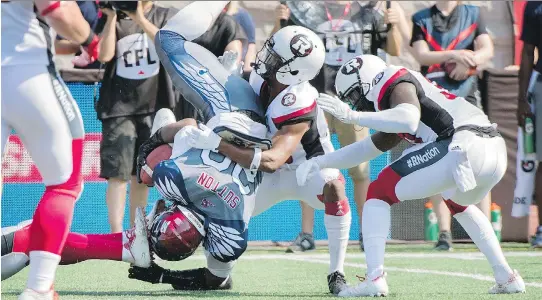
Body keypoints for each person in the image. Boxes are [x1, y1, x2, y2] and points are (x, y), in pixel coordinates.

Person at [295, 54, 526, 296]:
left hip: (463, 144)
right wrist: (321, 162)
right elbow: (366, 149)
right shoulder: (397, 101)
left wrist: (354, 117)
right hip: (491, 151)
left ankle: (375, 277)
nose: (356, 104)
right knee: (455, 201)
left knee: (377, 193)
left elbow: (408, 117)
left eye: (354, 95)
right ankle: (506, 276)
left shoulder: (395, 82)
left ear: (367, 82)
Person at [183, 5, 352, 294]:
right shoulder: (265, 77)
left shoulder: (299, 98)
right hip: (270, 170)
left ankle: (337, 272)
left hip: (307, 169)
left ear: (293, 71)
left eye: (274, 57)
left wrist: (218, 144)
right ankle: (219, 273)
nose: (265, 57)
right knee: (222, 202)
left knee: (335, 186)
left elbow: (272, 159)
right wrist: (227, 78)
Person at [270, 0, 404, 252]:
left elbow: (394, 48)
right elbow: (280, 47)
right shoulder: (305, 10)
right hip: (314, 98)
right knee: (307, 166)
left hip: (352, 102)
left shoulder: (367, 13)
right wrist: (279, 21)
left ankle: (366, 232)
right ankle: (307, 234)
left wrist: (393, 25)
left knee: (360, 171)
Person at [2, 0, 101, 298]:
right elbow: (57, 9)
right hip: (26, 74)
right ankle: (40, 288)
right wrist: (90, 41)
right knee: (65, 184)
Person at [409, 1, 495, 251]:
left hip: (466, 93)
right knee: (436, 158)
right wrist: (454, 55)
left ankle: (485, 230)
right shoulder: (421, 18)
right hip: (434, 94)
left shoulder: (475, 13)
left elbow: (486, 50)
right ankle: (444, 232)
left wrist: (468, 61)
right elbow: (422, 55)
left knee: (478, 157)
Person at [96, 1, 178, 233]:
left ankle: (136, 231)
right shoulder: (116, 15)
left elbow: (167, 47)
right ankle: (115, 234)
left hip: (154, 107)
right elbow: (104, 54)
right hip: (119, 108)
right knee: (118, 174)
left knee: (142, 175)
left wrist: (140, 17)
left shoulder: (165, 15)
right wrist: (112, 18)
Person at [517, 1, 542, 248]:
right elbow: (527, 51)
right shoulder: (535, 6)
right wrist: (521, 99)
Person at [54, 1, 104, 69]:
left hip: (118, 74)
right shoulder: (80, 5)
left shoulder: (119, 5)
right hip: (87, 75)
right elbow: (58, 46)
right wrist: (87, 45)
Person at [225, 1, 257, 75]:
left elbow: (251, 44)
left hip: (235, 67)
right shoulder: (213, 15)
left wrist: (247, 71)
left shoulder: (242, 15)